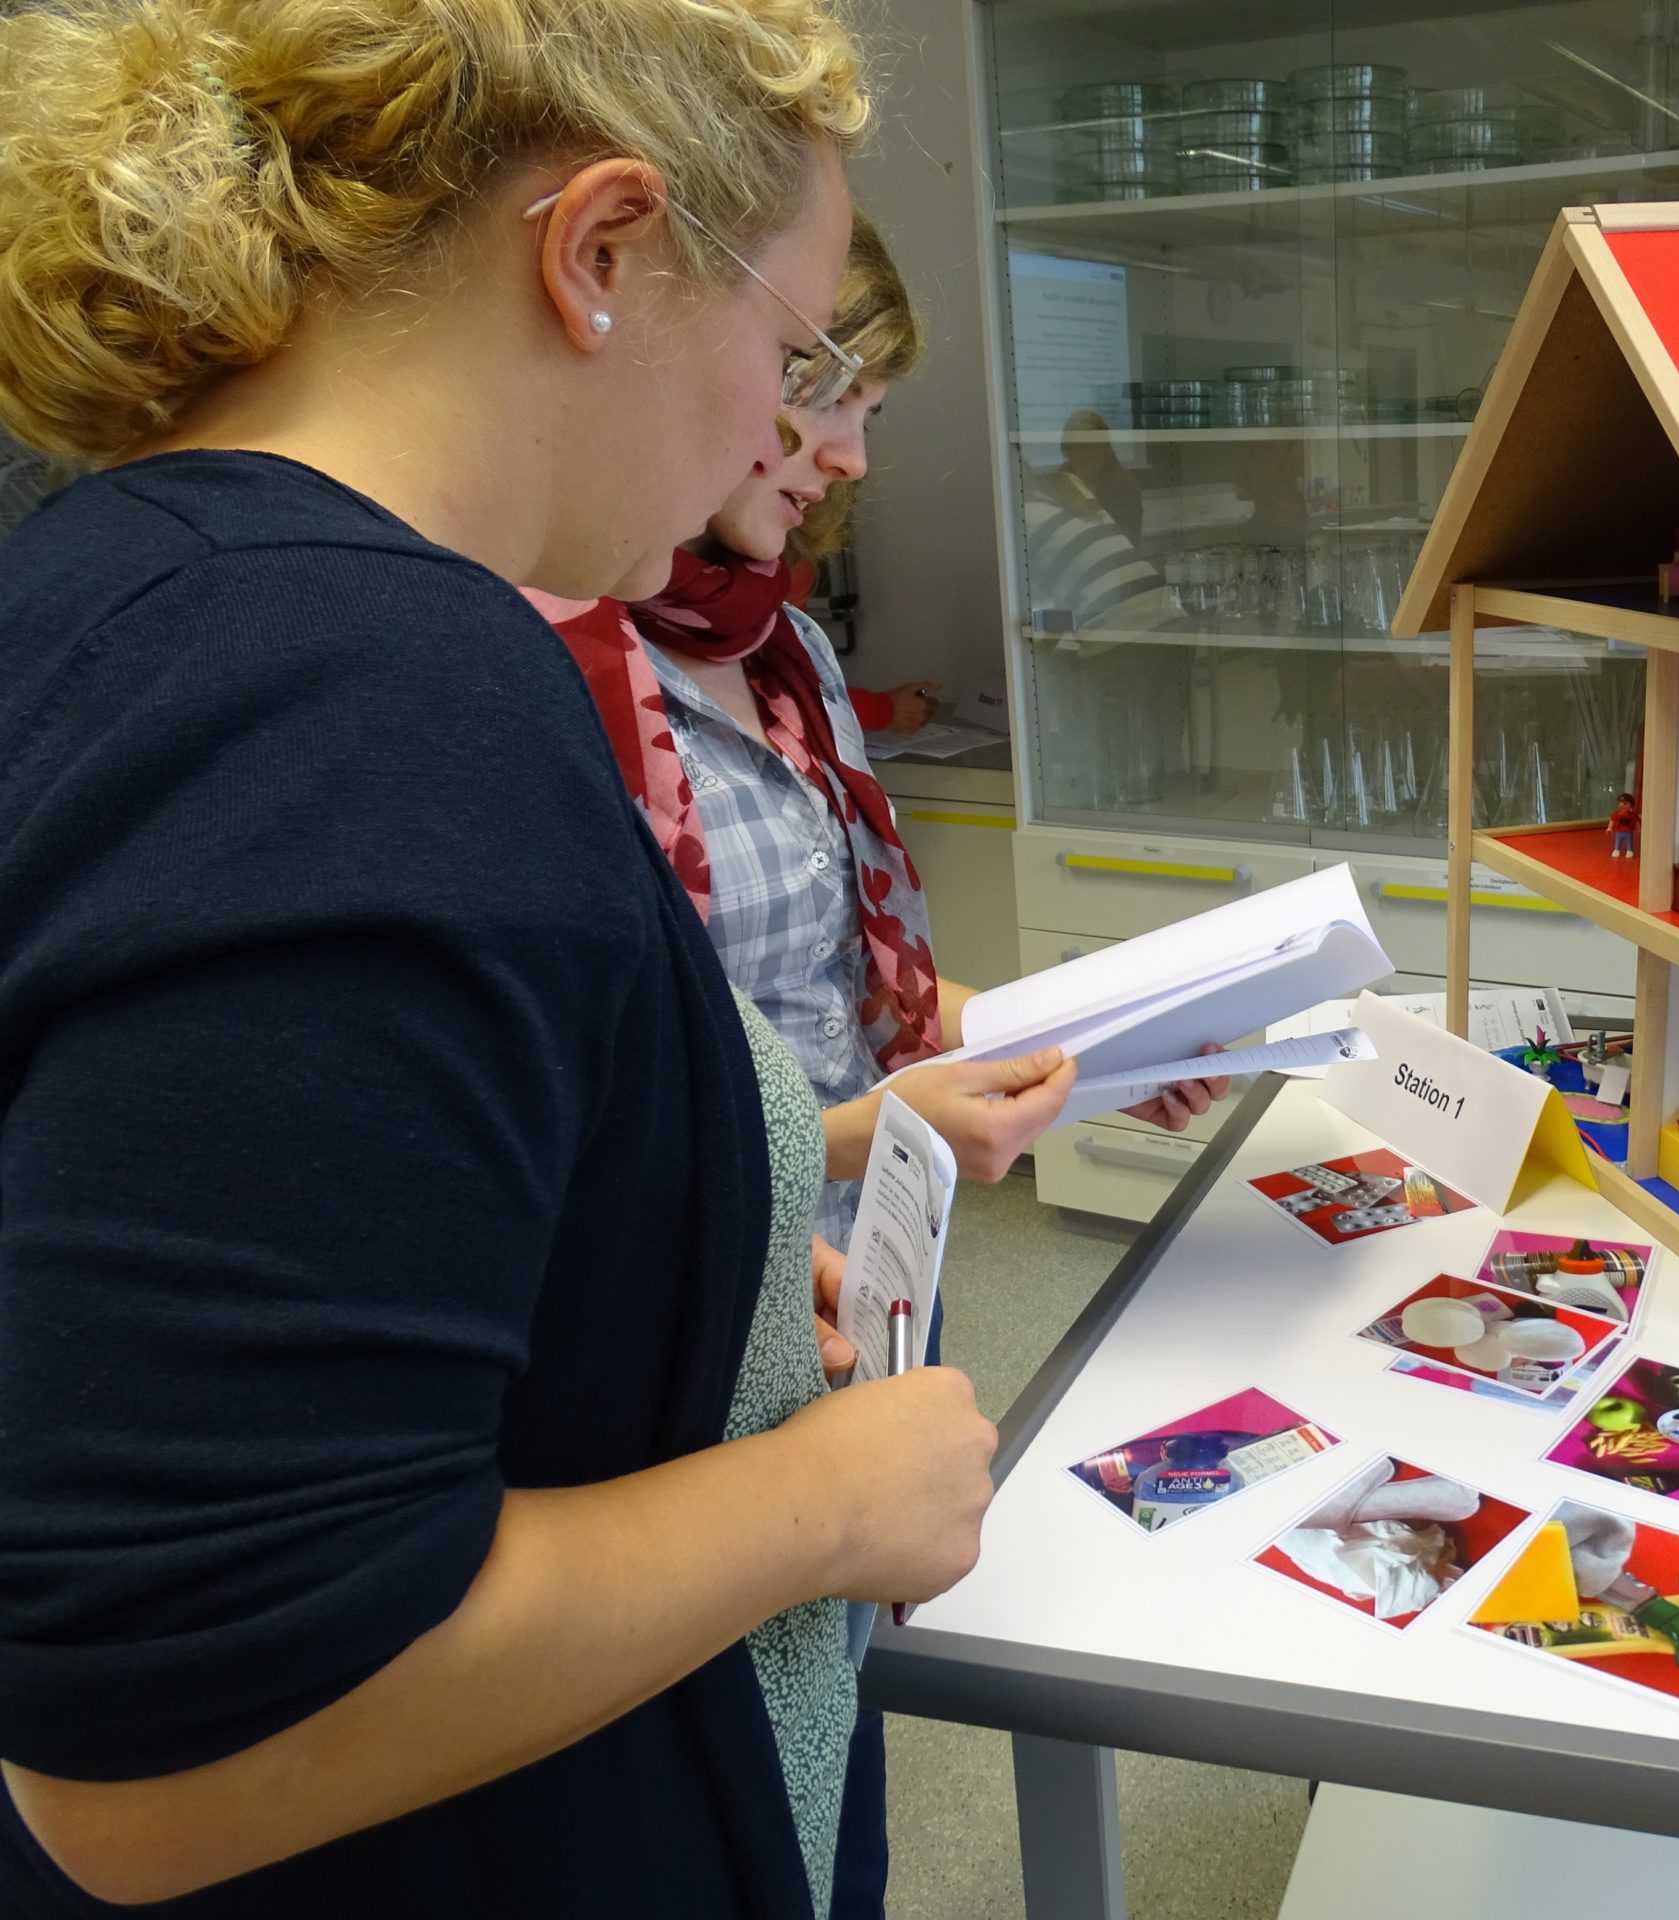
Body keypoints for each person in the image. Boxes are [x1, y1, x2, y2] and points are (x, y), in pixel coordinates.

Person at [0, 5, 999, 1915]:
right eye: (788, 350)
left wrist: (667, 1252)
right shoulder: (355, 703)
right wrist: (826, 1504)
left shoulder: (117, 586)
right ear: (600, 252)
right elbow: (172, 1749)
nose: (789, 436)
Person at [538, 216, 1227, 1916]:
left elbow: (848, 985)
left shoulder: (783, 648)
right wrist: (867, 1125)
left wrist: (1092, 1035)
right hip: (691, 1352)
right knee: (726, 1779)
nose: (849, 456)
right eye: (821, 395)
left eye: (867, 408)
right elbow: (607, 1123)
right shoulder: (547, 667)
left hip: (852, 1295)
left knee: (827, 1735)